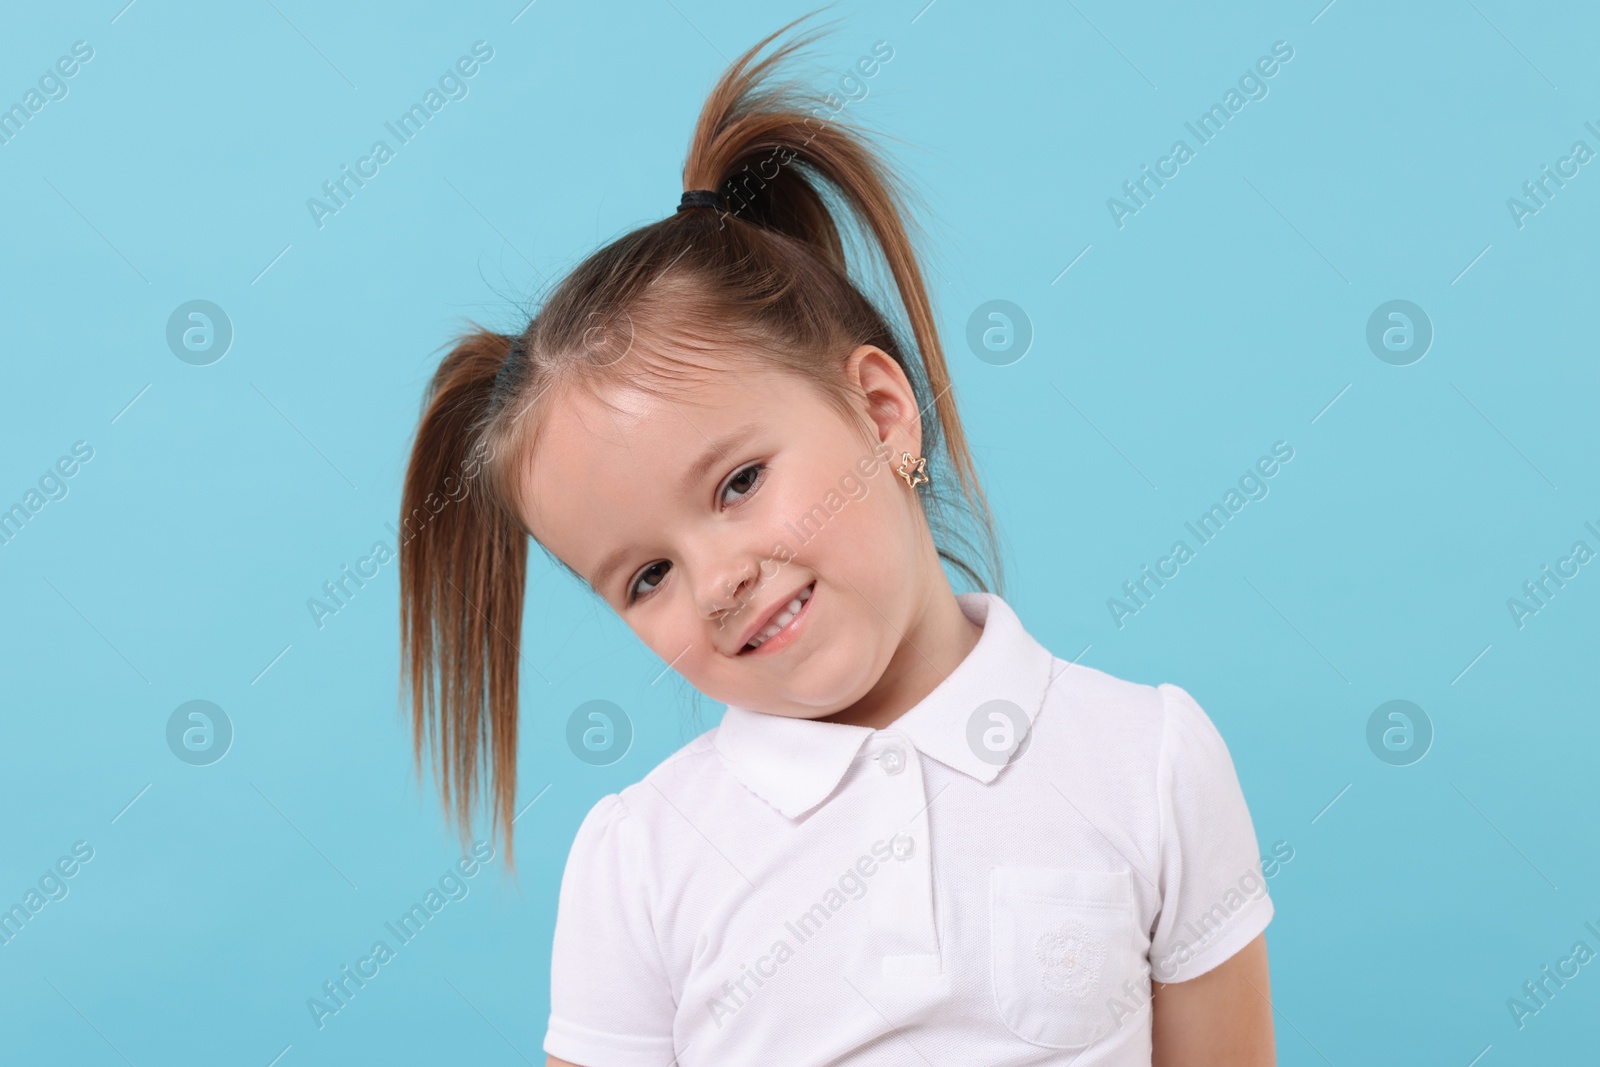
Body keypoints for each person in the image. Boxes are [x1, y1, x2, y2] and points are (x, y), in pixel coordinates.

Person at [397, 10, 1276, 1065]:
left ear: (881, 413)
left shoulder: (1148, 761)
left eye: (738, 481)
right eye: (646, 576)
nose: (718, 579)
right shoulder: (643, 862)